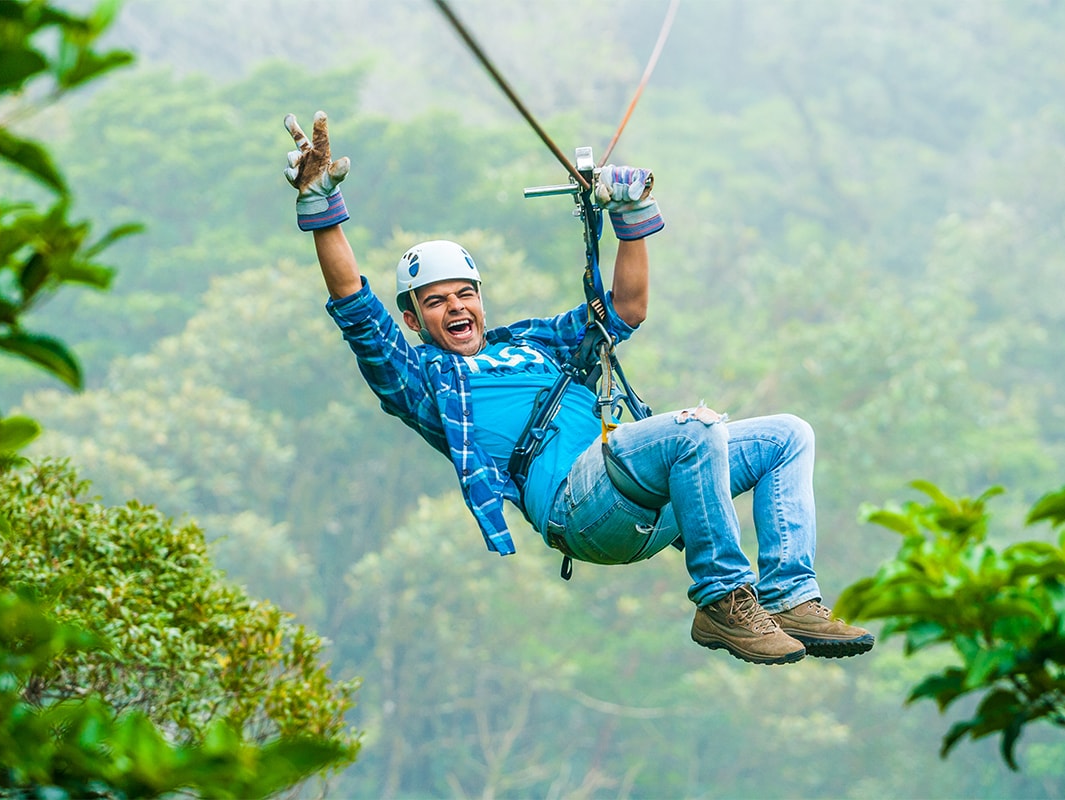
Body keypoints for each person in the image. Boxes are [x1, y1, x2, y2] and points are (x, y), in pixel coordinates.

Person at [283, 110, 873, 666]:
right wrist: (320, 203)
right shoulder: (425, 383)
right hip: (579, 504)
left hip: (644, 491)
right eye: (436, 302)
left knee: (788, 436)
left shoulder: (535, 346)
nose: (456, 307)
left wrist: (632, 214)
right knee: (697, 427)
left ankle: (791, 597)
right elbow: (357, 311)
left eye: (465, 294)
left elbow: (626, 310)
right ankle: (723, 601)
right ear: (414, 321)